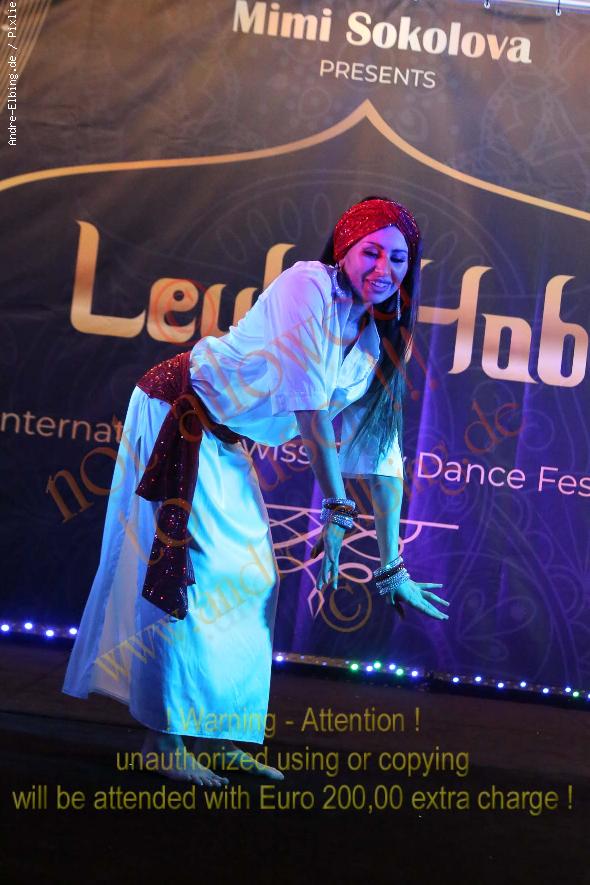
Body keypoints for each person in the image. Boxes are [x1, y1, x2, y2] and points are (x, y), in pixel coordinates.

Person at [62, 196, 449, 786]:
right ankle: (162, 742)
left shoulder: (382, 336)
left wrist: (391, 564)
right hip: (178, 413)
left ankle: (221, 736)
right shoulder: (307, 285)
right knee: (187, 574)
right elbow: (311, 414)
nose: (384, 267)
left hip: (224, 437)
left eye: (398, 258)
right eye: (371, 251)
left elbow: (381, 454)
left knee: (255, 579)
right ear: (344, 249)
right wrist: (337, 510)